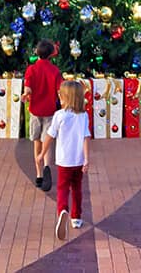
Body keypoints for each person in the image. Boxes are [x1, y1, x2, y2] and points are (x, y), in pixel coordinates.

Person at [41, 79, 91, 241]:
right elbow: (85, 137)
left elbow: (50, 135)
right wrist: (86, 159)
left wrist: (42, 153)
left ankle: (63, 210)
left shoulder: (59, 115)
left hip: (63, 160)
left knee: (62, 188)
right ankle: (76, 218)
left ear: (65, 98)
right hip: (78, 160)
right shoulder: (83, 116)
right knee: (77, 188)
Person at [20, 39, 62, 192]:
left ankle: (38, 175)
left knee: (36, 141)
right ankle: (46, 166)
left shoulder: (31, 69)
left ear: (36, 52)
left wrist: (25, 95)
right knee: (47, 142)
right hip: (50, 110)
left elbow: (28, 89)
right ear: (51, 54)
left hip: (35, 111)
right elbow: (60, 91)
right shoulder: (55, 71)